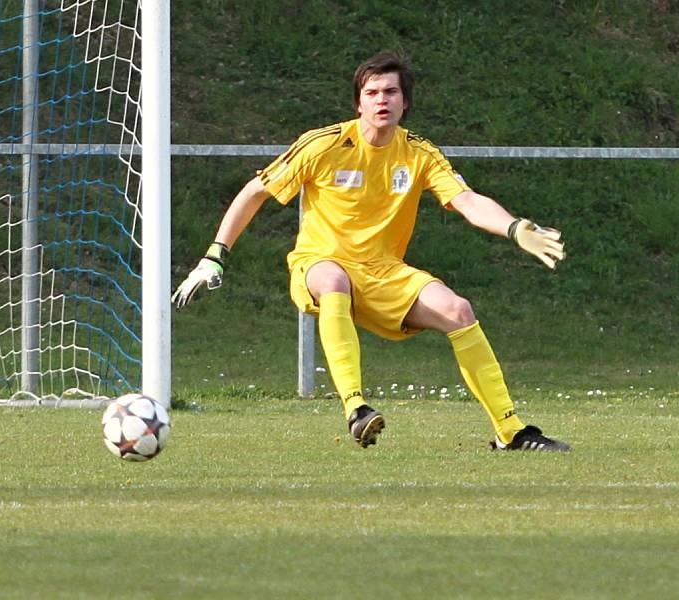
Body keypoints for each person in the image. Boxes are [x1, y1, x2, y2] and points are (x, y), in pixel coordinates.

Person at [172, 51, 570, 452]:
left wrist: (515, 228)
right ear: (358, 102)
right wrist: (214, 255)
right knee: (333, 278)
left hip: (384, 272)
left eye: (391, 92)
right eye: (373, 91)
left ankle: (511, 431)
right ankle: (356, 407)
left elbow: (466, 200)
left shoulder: (419, 153)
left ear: (405, 102)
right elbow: (255, 191)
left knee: (459, 311)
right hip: (319, 263)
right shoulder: (323, 144)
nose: (382, 99)